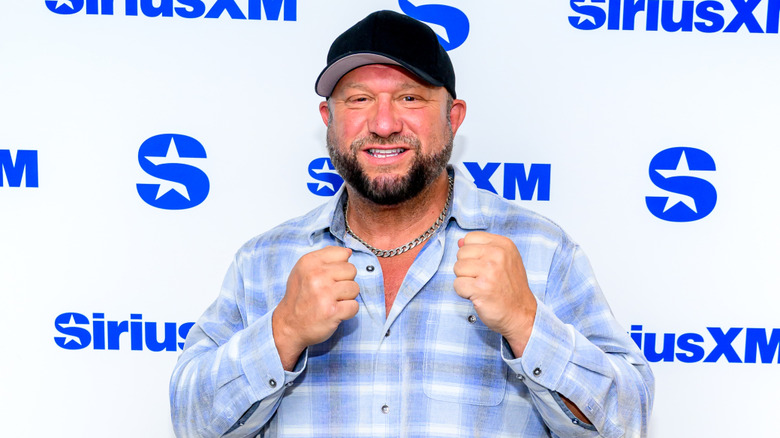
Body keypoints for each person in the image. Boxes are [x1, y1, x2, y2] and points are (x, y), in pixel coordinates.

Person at [170, 10, 654, 438]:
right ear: (329, 118)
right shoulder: (264, 260)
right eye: (358, 100)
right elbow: (190, 423)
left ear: (453, 117)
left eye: (410, 98)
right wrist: (282, 331)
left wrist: (526, 322)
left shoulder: (540, 250)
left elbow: (627, 422)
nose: (383, 124)